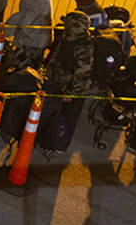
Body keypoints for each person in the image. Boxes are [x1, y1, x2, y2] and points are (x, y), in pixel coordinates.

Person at [37, 11, 94, 152]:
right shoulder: (67, 39)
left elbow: (83, 74)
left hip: (72, 93)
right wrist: (46, 74)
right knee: (53, 116)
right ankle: (48, 140)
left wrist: (70, 94)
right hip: (57, 85)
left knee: (66, 120)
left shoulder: (84, 47)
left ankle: (58, 144)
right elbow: (55, 57)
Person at [6, 0, 54, 68]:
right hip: (36, 34)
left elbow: (34, 11)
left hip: (31, 34)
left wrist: (23, 25)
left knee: (24, 64)